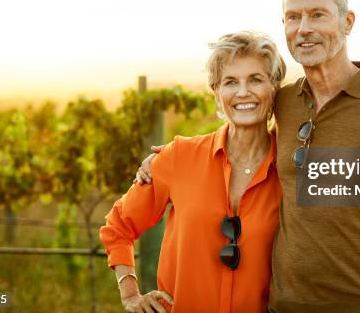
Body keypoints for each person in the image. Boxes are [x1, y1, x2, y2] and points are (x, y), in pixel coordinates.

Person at [135, 0, 360, 313]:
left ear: (348, 21)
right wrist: (173, 156)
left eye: (317, 15)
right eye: (293, 17)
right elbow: (242, 139)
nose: (304, 28)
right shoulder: (284, 103)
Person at [100, 31, 286, 312]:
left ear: (273, 88)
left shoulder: (292, 170)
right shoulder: (179, 157)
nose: (243, 92)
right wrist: (130, 295)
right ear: (216, 92)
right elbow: (118, 226)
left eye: (256, 79)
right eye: (230, 82)